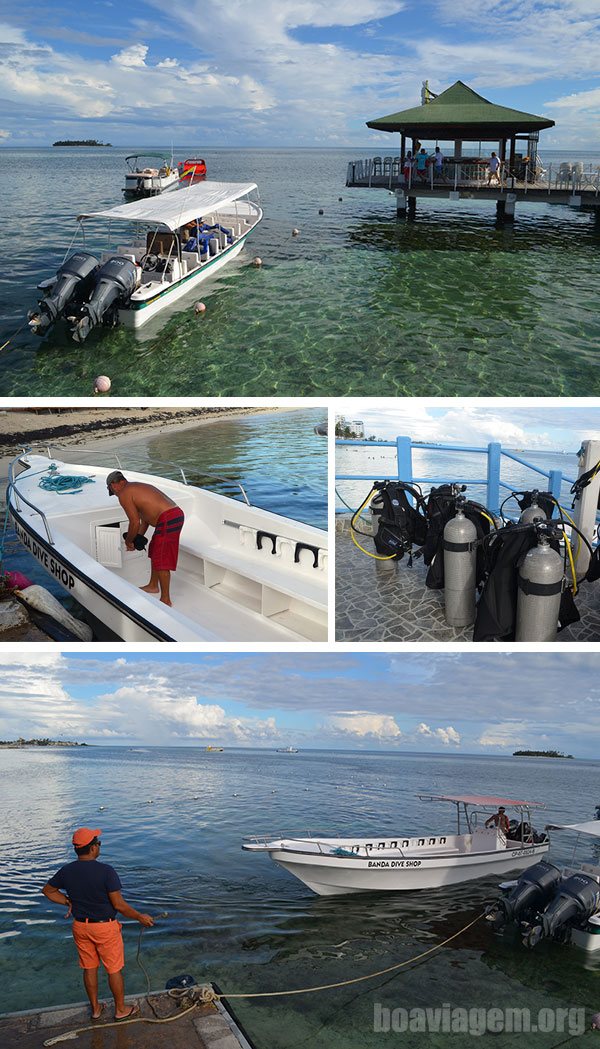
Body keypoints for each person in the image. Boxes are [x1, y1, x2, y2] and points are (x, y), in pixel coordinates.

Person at [42, 828, 154, 1022]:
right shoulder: (106, 871)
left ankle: (95, 1009)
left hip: (80, 927)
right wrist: (139, 917)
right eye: (99, 843)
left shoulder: (66, 870)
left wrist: (67, 901)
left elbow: (48, 891)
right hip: (105, 928)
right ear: (93, 848)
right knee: (113, 969)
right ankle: (120, 1009)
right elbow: (118, 905)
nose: (99, 846)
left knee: (89, 968)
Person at [106, 471, 185, 606]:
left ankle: (166, 599)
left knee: (161, 557)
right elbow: (144, 521)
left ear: (115, 485)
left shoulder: (125, 493)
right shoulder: (136, 488)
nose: (116, 495)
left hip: (168, 518)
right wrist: (138, 537)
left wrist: (129, 541)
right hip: (171, 516)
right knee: (155, 549)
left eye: (113, 491)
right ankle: (153, 585)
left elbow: (134, 522)